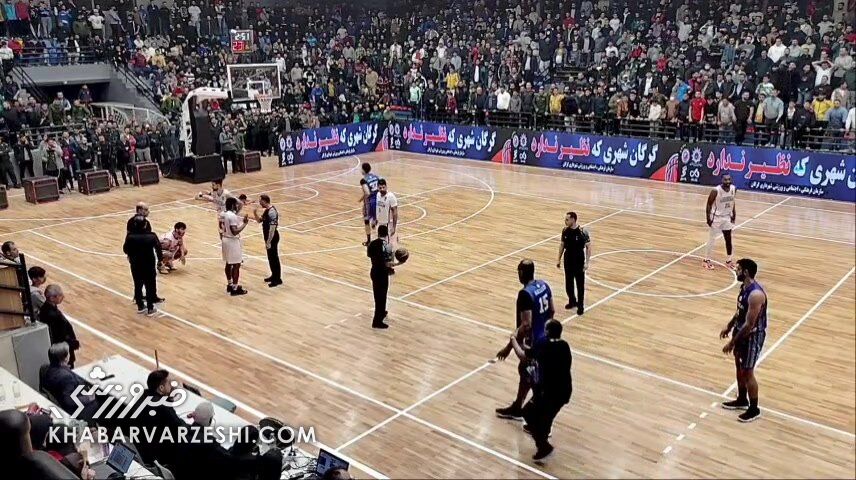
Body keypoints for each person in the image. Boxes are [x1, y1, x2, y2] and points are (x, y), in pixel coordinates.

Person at [495, 259, 555, 420]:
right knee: (525, 371)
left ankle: (539, 417)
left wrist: (510, 345)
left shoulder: (525, 294)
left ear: (521, 273)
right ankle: (517, 406)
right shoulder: (544, 285)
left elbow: (526, 325)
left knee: (531, 374)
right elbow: (552, 310)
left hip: (534, 342)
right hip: (546, 337)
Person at [510, 319, 572, 463]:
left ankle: (543, 445)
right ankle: (543, 436)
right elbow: (534, 352)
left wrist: (514, 341)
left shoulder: (543, 344)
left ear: (547, 331)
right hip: (564, 390)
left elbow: (523, 356)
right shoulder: (564, 346)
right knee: (546, 418)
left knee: (528, 413)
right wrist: (526, 346)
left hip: (549, 392)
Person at [720, 258, 768, 423]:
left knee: (748, 372)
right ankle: (742, 399)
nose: (735, 271)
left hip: (752, 336)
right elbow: (740, 311)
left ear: (746, 272)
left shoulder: (756, 295)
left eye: (738, 269)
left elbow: (749, 324)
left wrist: (732, 342)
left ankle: (754, 409)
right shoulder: (744, 288)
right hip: (740, 331)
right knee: (739, 367)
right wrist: (729, 326)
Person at [42, 342, 99, 418]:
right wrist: (88, 398)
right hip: (74, 409)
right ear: (66, 358)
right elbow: (68, 401)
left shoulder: (46, 368)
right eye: (68, 353)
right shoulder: (66, 377)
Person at [123, 215, 163, 315]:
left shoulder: (130, 237)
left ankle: (140, 306)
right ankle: (150, 307)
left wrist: (132, 254)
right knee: (150, 285)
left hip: (135, 264)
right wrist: (160, 261)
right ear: (145, 224)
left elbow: (125, 249)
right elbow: (158, 249)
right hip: (149, 264)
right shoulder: (152, 236)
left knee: (138, 284)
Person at [366, 225, 401, 329]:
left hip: (374, 271)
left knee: (377, 295)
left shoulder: (372, 244)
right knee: (382, 296)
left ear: (378, 233)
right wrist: (399, 263)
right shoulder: (387, 246)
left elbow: (370, 255)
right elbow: (388, 263)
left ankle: (382, 312)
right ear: (386, 234)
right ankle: (377, 321)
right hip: (382, 273)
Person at [556, 212, 591, 316]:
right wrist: (558, 259)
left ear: (573, 219)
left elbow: (588, 247)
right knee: (568, 283)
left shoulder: (583, 231)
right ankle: (572, 301)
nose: (565, 221)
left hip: (579, 260)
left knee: (580, 284)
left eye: (567, 219)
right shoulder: (565, 231)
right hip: (568, 260)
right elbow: (562, 245)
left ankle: (580, 305)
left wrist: (587, 262)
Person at [39, 285, 79, 368]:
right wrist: (72, 343)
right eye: (60, 295)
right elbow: (59, 335)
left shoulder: (46, 308)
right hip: (61, 351)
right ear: (52, 298)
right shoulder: (52, 315)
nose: (63, 297)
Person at [704, 174, 736, 270]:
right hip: (716, 217)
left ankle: (729, 261)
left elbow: (732, 202)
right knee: (712, 239)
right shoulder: (716, 190)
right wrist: (708, 218)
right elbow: (708, 204)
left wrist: (734, 214)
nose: (727, 181)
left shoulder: (733, 189)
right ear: (722, 180)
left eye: (729, 179)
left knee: (728, 239)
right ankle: (706, 260)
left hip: (727, 217)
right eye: (725, 180)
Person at [221, 197, 250, 295]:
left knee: (228, 263)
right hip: (232, 241)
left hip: (225, 239)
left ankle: (230, 284)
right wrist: (244, 224)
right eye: (236, 204)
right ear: (233, 205)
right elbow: (234, 231)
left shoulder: (222, 213)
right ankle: (235, 288)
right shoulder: (232, 216)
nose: (237, 206)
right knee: (236, 265)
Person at [259, 194, 282, 287]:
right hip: (268, 237)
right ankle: (274, 275)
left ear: (264, 201)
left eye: (260, 201)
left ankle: (277, 279)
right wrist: (255, 213)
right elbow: (259, 220)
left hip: (272, 237)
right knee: (270, 258)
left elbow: (272, 229)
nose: (259, 203)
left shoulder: (272, 212)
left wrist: (268, 242)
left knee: (274, 258)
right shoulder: (266, 210)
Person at [358, 162, 380, 246]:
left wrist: (361, 199)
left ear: (363, 170)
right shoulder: (376, 177)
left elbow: (367, 193)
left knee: (366, 220)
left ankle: (368, 241)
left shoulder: (363, 180)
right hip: (378, 200)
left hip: (370, 202)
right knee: (378, 218)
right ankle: (375, 221)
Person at [373, 179, 398, 247]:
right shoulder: (378, 194)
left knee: (388, 244)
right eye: (380, 188)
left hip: (388, 224)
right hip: (379, 223)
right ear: (377, 187)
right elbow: (378, 208)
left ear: (386, 186)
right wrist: (375, 219)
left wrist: (394, 227)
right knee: (380, 243)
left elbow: (395, 212)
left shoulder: (391, 196)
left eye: (383, 187)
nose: (382, 189)